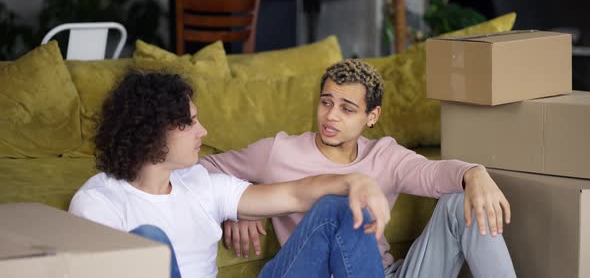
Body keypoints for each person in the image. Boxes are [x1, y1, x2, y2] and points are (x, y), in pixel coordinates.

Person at [200, 59, 517, 277]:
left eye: (347, 109)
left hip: (379, 273)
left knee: (461, 201)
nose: (331, 116)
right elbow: (203, 167)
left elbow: (432, 175)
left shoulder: (384, 156)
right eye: (326, 102)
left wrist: (474, 173)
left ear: (372, 116)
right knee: (341, 204)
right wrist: (235, 209)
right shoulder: (278, 151)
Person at [68, 71, 392, 278]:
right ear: (153, 132)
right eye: (191, 122)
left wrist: (354, 181)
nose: (203, 131)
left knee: (337, 209)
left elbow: (295, 193)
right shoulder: (99, 203)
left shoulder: (199, 183)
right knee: (150, 240)